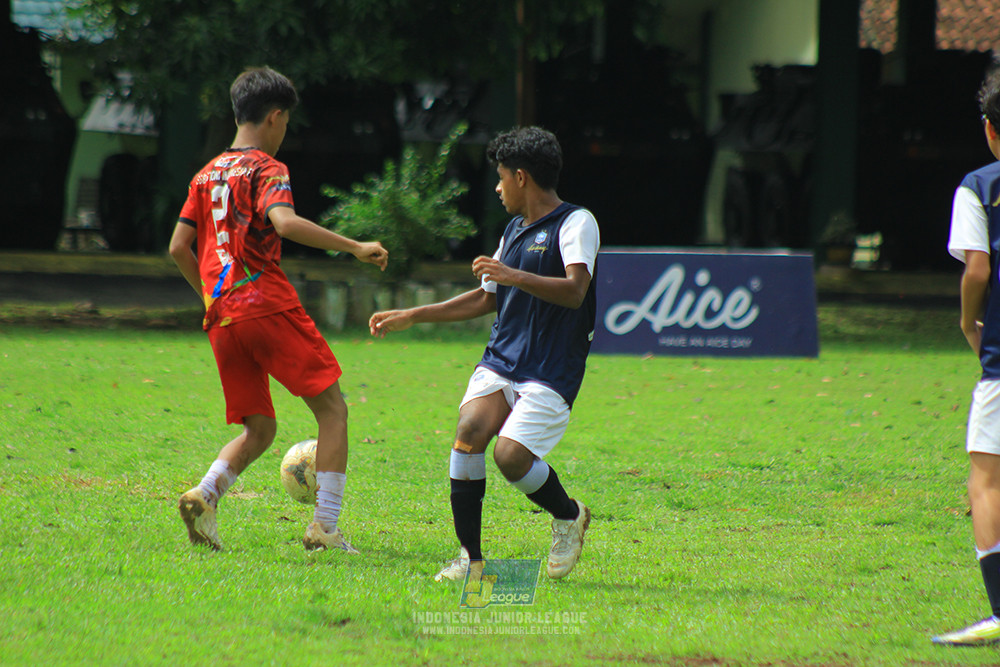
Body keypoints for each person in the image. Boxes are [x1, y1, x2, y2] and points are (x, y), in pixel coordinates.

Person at [168, 66, 388, 554]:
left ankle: (205, 494)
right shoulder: (267, 169)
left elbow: (179, 247)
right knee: (333, 410)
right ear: (274, 116)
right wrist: (354, 246)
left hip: (222, 317)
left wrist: (209, 296)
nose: (285, 131)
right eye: (286, 121)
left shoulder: (205, 175)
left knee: (260, 428)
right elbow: (284, 223)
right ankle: (325, 527)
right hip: (266, 304)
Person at [369, 126, 599, 581]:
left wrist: (511, 275)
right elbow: (484, 297)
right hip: (502, 358)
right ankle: (470, 560)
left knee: (510, 456)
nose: (496, 187)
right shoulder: (513, 230)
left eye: (500, 177)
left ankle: (569, 515)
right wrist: (414, 315)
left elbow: (575, 291)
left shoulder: (577, 223)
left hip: (551, 369)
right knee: (469, 432)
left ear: (521, 177)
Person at [935, 67, 1000, 646]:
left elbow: (977, 268)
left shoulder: (979, 186)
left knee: (987, 479)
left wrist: (965, 322)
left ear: (989, 129)